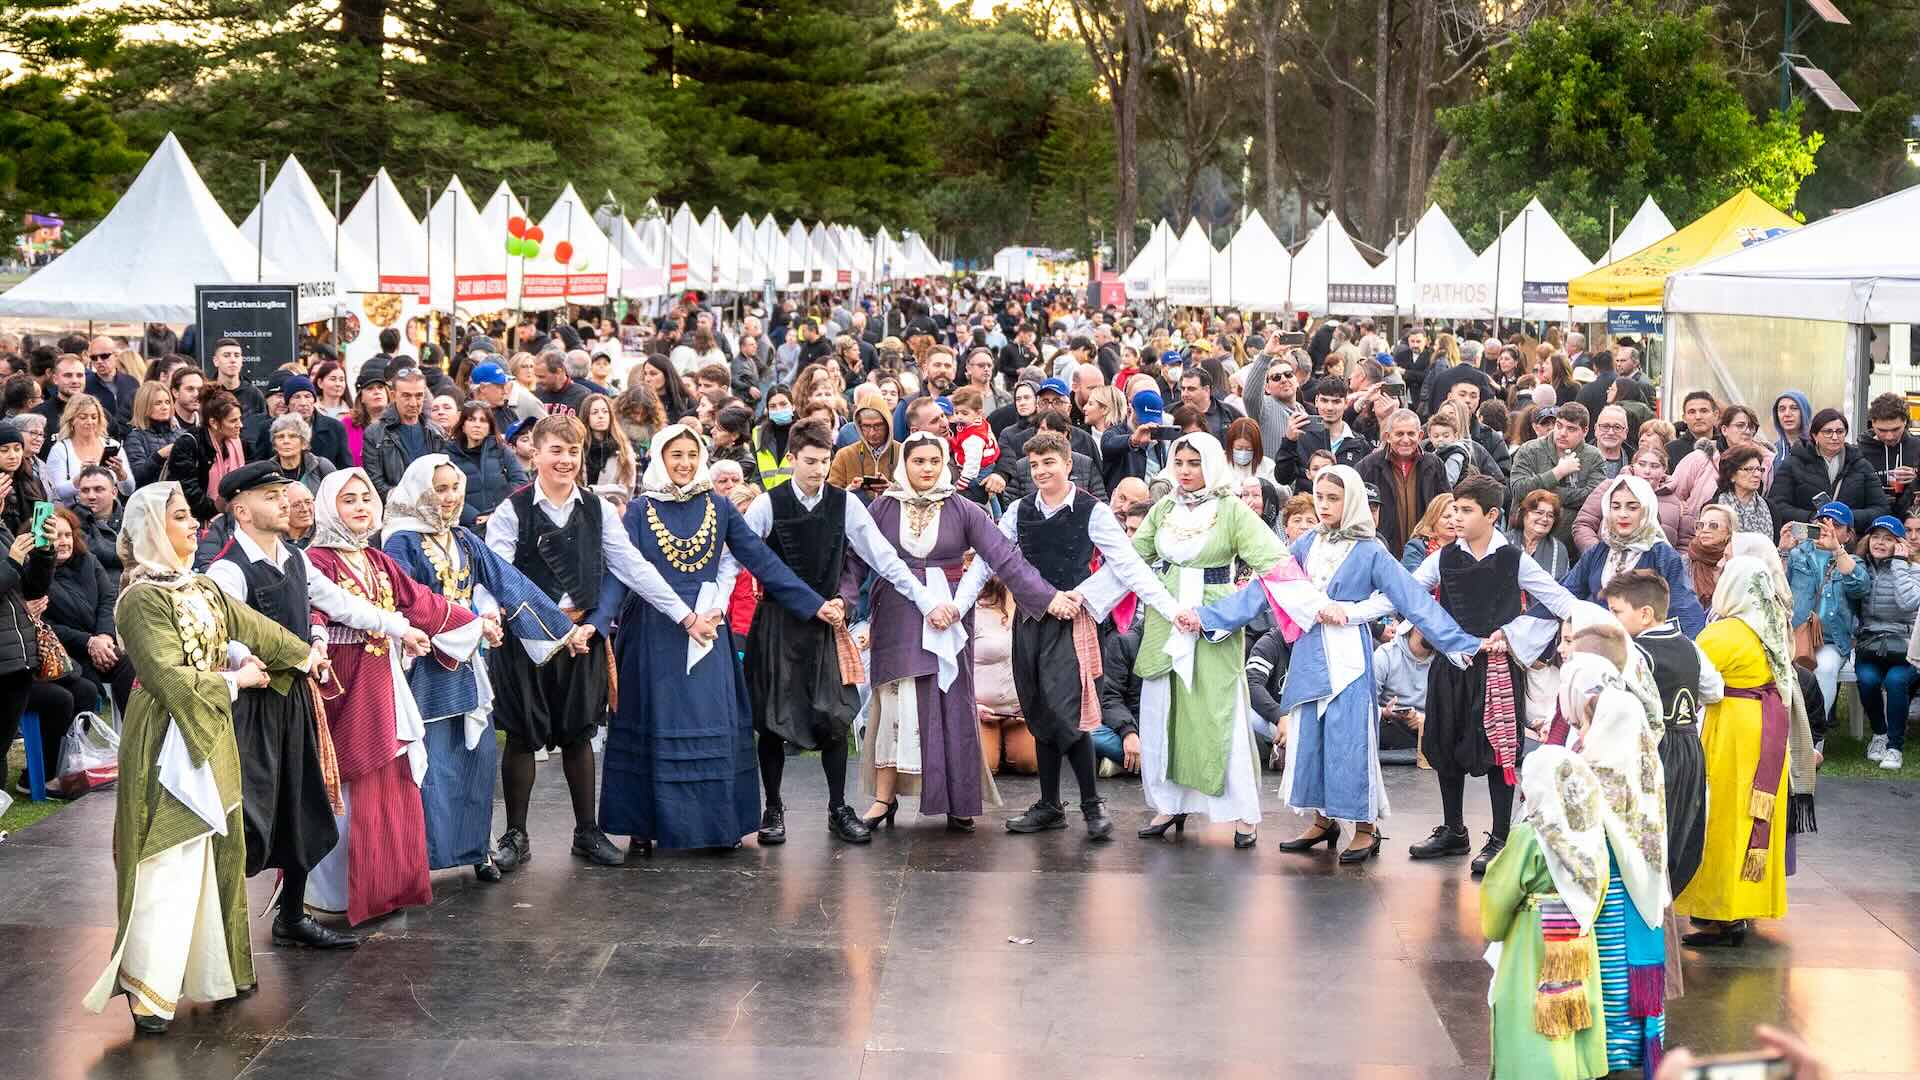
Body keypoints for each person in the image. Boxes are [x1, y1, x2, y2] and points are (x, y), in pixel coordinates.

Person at [82, 483, 316, 1032]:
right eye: (180, 517)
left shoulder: (203, 588)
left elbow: (256, 629)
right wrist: (237, 680)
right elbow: (164, 675)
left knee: (216, 853)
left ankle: (214, 971)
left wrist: (306, 657)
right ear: (148, 531)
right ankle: (151, 991)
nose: (194, 525)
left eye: (192, 515)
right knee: (167, 855)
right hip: (165, 733)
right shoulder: (140, 598)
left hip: (210, 730)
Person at [597, 423, 836, 852]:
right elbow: (620, 575)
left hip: (709, 629)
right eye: (676, 455)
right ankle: (645, 825)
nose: (685, 463)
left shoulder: (720, 508)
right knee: (654, 724)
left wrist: (811, 602)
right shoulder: (638, 510)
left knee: (710, 722)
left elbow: (761, 558)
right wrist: (596, 625)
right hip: (653, 634)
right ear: (660, 459)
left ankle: (718, 824)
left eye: (692, 454)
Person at [483, 415, 699, 867]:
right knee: (522, 737)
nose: (565, 460)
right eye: (556, 451)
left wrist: (685, 615)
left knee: (580, 735)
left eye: (573, 452)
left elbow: (631, 568)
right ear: (535, 453)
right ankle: (515, 837)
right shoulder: (511, 510)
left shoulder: (598, 508)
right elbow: (495, 578)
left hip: (583, 634)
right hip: (525, 637)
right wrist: (501, 619)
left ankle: (587, 831)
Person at [739, 419, 942, 845]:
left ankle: (837, 807)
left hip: (828, 624)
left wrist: (925, 602)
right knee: (771, 722)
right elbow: (734, 558)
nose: (818, 468)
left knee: (834, 717)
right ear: (791, 459)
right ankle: (772, 808)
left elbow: (884, 558)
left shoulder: (846, 504)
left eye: (825, 460)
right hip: (776, 624)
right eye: (810, 461)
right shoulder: (766, 505)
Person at [850, 432, 1057, 832]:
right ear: (904, 464)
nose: (926, 469)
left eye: (933, 461)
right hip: (896, 611)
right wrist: (839, 601)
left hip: (949, 613)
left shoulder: (964, 508)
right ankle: (883, 799)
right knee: (896, 700)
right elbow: (855, 559)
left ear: (945, 462)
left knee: (948, 699)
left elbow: (1002, 554)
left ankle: (957, 799)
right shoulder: (881, 508)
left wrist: (1046, 598)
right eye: (918, 461)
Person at [381, 456, 574, 882]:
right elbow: (408, 601)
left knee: (477, 755)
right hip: (423, 665)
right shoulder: (400, 542)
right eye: (439, 490)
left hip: (467, 665)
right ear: (419, 492)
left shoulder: (465, 538)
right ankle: (424, 856)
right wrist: (473, 624)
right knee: (430, 760)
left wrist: (559, 630)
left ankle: (473, 848)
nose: (449, 498)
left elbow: (505, 579)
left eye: (454, 488)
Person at [1127, 435, 1321, 849]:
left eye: (1194, 462)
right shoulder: (1163, 509)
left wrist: (1250, 605)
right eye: (1178, 461)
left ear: (1211, 464)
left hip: (1213, 622)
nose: (1184, 469)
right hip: (1166, 619)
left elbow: (1276, 563)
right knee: (1165, 709)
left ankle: (1244, 813)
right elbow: (1130, 558)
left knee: (1221, 713)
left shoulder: (1232, 510)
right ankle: (1170, 802)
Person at [991, 430, 1178, 840]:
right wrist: (956, 604)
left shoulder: (1092, 511)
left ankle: (1093, 806)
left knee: (1069, 711)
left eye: (1049, 463)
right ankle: (1050, 805)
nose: (1041, 471)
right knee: (1038, 708)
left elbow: (1127, 566)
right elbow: (995, 562)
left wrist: (1169, 609)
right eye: (1035, 465)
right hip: (1029, 620)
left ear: (1068, 464)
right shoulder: (1017, 511)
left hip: (1071, 622)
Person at [1412, 475, 1578, 874]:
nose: (1456, 517)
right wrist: (1436, 632)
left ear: (1492, 515)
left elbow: (1560, 601)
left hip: (1497, 669)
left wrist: (1515, 633)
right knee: (1445, 744)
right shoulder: (1444, 557)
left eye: (1466, 511)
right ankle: (1454, 829)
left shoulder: (1513, 559)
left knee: (1498, 752)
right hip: (1451, 666)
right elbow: (1408, 593)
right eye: (1453, 509)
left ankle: (1501, 836)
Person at [1677, 556, 1820, 947]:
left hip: (1733, 731)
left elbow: (1695, 675)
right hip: (1768, 728)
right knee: (1754, 815)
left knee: (1722, 816)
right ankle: (1739, 908)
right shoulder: (1773, 627)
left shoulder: (1725, 633)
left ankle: (1723, 909)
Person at [1480, 746, 1609, 1080]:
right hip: (1577, 936)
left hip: (1532, 938)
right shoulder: (1591, 834)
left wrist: (1496, 927)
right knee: (1570, 1013)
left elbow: (1498, 894)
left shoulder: (1529, 836)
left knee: (1532, 1015)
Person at [1603, 570, 1716, 902]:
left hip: (1651, 751)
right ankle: (1664, 905)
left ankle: (1647, 919)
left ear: (1645, 613)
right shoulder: (1691, 647)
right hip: (1690, 749)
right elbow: (1714, 689)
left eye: (1616, 611)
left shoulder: (1633, 654)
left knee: (1643, 836)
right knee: (1679, 833)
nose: (1612, 620)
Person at [1563, 476, 1707, 637]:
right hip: (1598, 643)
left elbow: (1684, 607)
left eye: (1632, 508)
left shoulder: (1663, 556)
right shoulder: (1598, 551)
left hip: (1643, 650)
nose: (1622, 514)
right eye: (1616, 507)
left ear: (1646, 510)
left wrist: (1691, 651)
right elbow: (1566, 594)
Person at [1783, 501, 1870, 724]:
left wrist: (1836, 550)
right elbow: (1777, 588)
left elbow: (1861, 587)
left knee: (1825, 668)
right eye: (1821, 522)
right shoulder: (1796, 554)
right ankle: (1785, 733)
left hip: (1832, 641)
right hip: (1795, 636)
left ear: (1848, 535)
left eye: (1836, 525)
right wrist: (1783, 549)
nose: (1826, 528)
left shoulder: (1853, 561)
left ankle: (1813, 739)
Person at [43, 507, 135, 717]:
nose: (64, 541)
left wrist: (103, 636)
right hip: (66, 652)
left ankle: (132, 730)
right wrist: (88, 642)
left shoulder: (88, 560)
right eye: (56, 536)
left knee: (129, 664)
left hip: (100, 643)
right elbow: (46, 625)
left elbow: (108, 598)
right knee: (85, 689)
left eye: (67, 535)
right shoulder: (35, 575)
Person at [1850, 516, 1920, 769]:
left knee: (1895, 681)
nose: (1880, 542)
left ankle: (1894, 746)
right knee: (1868, 680)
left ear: (1899, 544)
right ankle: (1879, 734)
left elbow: (1909, 603)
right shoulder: (1861, 568)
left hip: (1904, 644)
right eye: (1876, 536)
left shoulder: (1913, 569)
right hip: (1870, 642)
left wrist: (1900, 564)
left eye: (1888, 538)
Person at [1510, 403, 1605, 552]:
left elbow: (1593, 499)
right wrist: (1557, 473)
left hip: (1570, 547)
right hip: (1523, 543)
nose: (1562, 433)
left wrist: (1544, 495)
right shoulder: (1530, 449)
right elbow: (1519, 490)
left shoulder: (1594, 457)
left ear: (1585, 431)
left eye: (1571, 429)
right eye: (1559, 426)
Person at [1772, 408, 1888, 529]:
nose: (1834, 437)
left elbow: (1881, 508)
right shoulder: (1794, 463)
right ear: (1814, 435)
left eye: (1840, 431)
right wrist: (1812, 517)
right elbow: (1777, 505)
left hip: (1847, 539)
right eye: (1827, 432)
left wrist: (1844, 517)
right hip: (1807, 537)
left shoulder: (1860, 465)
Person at [974, 577, 1037, 776]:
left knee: (1029, 763)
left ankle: (1006, 746)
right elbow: (954, 668)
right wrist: (970, 706)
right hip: (980, 711)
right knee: (985, 768)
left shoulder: (1031, 611)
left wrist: (1035, 706)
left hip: (1020, 712)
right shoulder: (972, 612)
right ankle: (990, 744)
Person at [361, 369, 450, 500]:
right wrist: (406, 500)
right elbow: (375, 482)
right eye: (406, 396)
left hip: (433, 509)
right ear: (393, 396)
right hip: (394, 511)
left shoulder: (437, 432)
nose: (413, 403)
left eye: (419, 395)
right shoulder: (375, 434)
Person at [46, 393, 133, 504]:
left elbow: (128, 490)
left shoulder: (113, 445)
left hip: (109, 514)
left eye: (94, 417)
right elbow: (56, 493)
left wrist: (121, 473)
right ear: (72, 420)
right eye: (83, 417)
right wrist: (81, 477)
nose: (89, 422)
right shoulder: (60, 449)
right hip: (75, 515)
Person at [1684, 503, 1736, 621]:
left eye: (1713, 525)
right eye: (1700, 525)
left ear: (1729, 532)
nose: (1705, 530)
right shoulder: (1683, 562)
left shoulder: (1736, 563)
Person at [1507, 490, 1571, 581]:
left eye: (1550, 515)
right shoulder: (1504, 541)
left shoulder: (1559, 550)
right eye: (1539, 513)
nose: (1545, 519)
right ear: (1524, 514)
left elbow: (1561, 587)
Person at [264, 415, 335, 492]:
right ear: (274, 445)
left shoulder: (321, 466)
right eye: (280, 437)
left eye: (292, 436)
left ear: (304, 444)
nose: (286, 441)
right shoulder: (266, 471)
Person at [1398, 493, 1457, 574]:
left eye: (1456, 517)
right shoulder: (1417, 546)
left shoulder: (1467, 544)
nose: (1453, 522)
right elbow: (1412, 580)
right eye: (1446, 517)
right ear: (1433, 519)